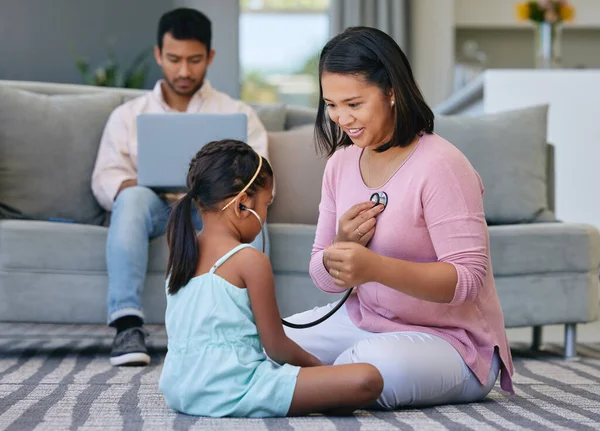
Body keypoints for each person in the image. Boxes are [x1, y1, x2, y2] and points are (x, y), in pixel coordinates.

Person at [283, 26, 515, 410]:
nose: (341, 118)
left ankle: (298, 385)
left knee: (363, 367)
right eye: (331, 104)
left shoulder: (441, 164)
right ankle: (314, 382)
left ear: (391, 90)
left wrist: (373, 267)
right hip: (366, 321)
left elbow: (468, 279)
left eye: (354, 104)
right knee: (266, 345)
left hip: (453, 342)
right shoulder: (340, 164)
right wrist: (341, 246)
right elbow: (322, 277)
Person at [91, 8, 270, 367]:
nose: (184, 71)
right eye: (173, 59)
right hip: (154, 208)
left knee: (246, 209)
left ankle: (253, 329)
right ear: (158, 54)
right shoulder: (129, 114)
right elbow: (105, 177)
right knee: (131, 198)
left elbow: (259, 178)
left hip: (212, 210)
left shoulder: (236, 113)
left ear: (210, 57)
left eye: (194, 60)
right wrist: (137, 185)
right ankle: (127, 324)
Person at [158, 139, 383, 417]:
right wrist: (322, 372)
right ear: (243, 205)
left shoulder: (183, 250)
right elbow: (277, 349)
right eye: (266, 204)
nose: (265, 214)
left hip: (180, 388)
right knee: (367, 379)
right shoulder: (249, 260)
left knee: (344, 384)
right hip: (236, 388)